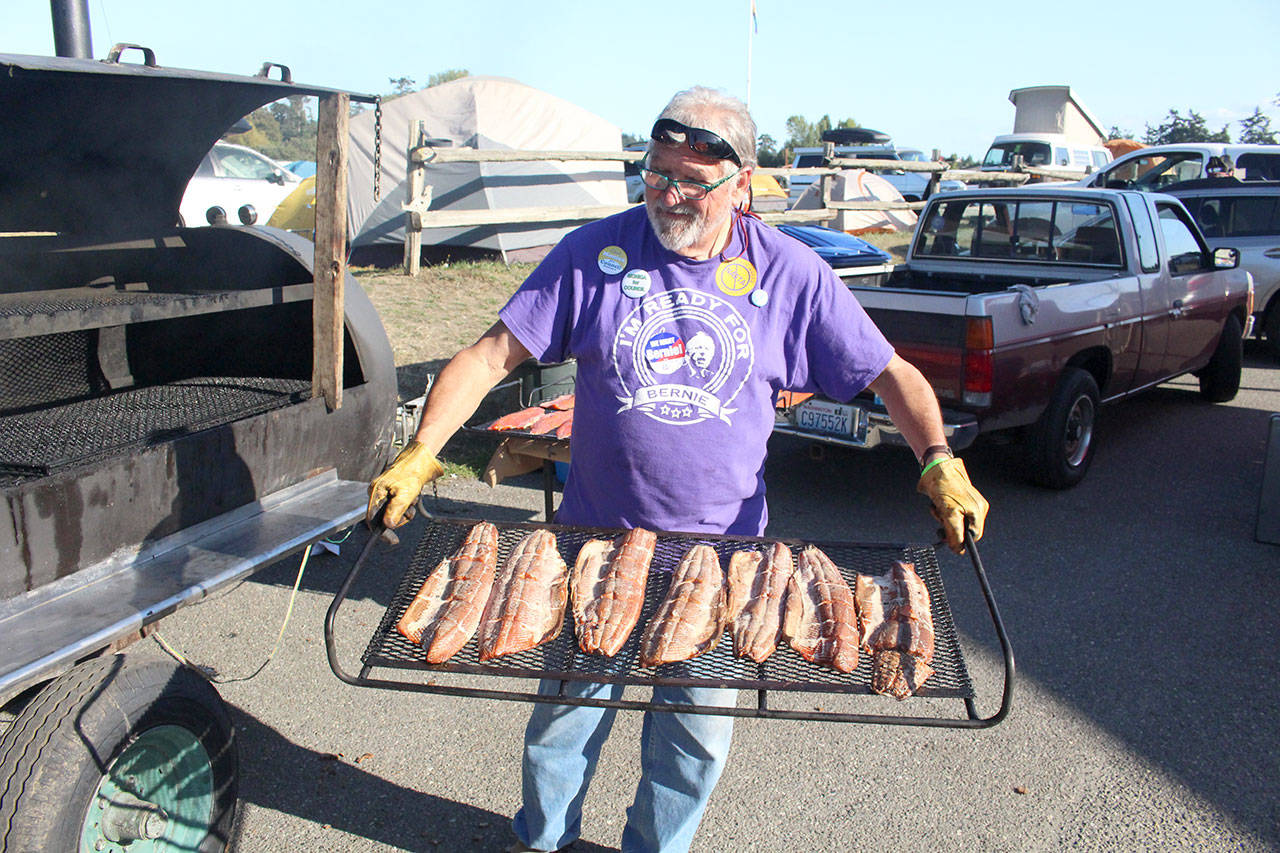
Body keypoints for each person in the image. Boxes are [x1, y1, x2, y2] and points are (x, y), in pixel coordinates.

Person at [367, 85, 989, 853]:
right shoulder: (595, 254)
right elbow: (491, 355)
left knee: (691, 744)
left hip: (727, 559)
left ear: (744, 182)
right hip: (587, 546)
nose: (669, 194)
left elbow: (893, 375)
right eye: (657, 173)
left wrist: (938, 462)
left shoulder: (791, 273)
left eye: (693, 182)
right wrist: (424, 449)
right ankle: (543, 841)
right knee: (563, 723)